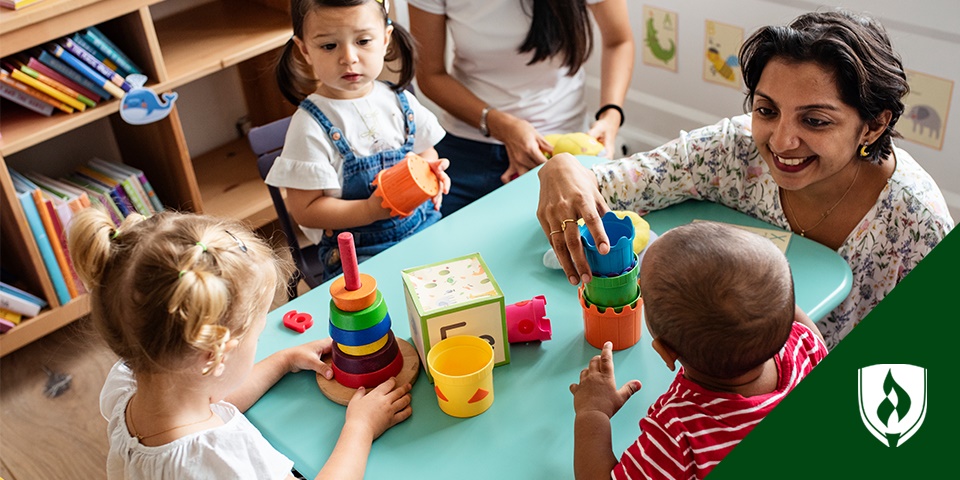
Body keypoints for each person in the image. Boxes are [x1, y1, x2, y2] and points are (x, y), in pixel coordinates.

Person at [537, 10, 954, 349]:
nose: (782, 141)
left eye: (814, 120)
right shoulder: (732, 150)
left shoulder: (917, 223)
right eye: (767, 110)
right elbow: (610, 183)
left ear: (873, 126)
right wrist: (561, 168)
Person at [67, 209, 413, 479]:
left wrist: (283, 360)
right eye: (257, 335)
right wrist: (360, 428)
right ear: (214, 354)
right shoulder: (222, 459)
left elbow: (211, 398)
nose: (259, 342)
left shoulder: (128, 385)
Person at [570, 221, 827, 479]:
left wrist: (593, 412)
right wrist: (768, 299)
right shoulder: (805, 345)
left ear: (666, 352)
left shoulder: (678, 434)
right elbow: (800, 326)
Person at [271, 0, 451, 279]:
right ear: (305, 50)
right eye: (329, 46)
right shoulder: (309, 126)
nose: (349, 57)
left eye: (363, 40)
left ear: (385, 39)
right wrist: (369, 210)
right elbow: (306, 211)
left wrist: (431, 172)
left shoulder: (399, 100)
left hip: (424, 225)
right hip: (359, 253)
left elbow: (426, 153)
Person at [408, 0, 634, 215]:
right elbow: (430, 74)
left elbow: (619, 41)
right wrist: (501, 125)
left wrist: (611, 115)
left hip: (562, 146)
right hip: (468, 145)